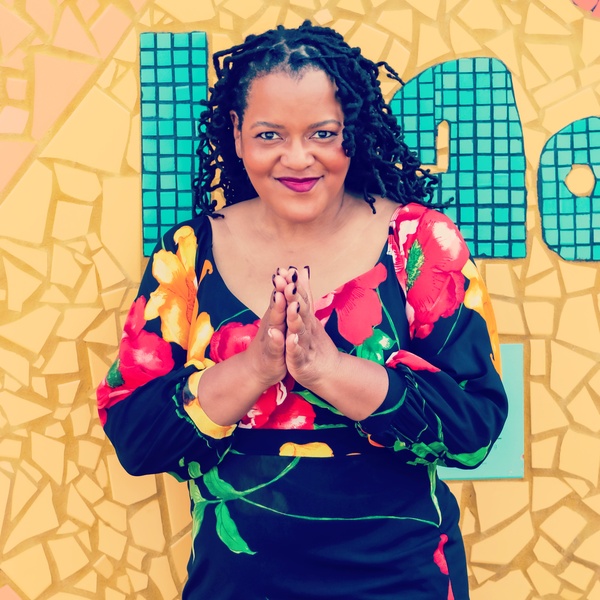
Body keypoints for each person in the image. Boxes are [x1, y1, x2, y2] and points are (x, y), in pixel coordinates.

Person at [97, 21, 508, 600]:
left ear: (353, 134)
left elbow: (473, 430)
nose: (297, 158)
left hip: (400, 582)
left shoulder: (419, 243)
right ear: (237, 134)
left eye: (322, 133)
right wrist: (256, 367)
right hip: (234, 585)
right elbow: (137, 440)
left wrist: (329, 370)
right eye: (270, 135)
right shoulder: (188, 256)